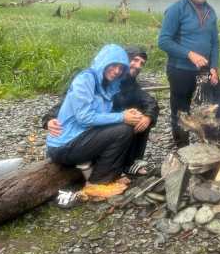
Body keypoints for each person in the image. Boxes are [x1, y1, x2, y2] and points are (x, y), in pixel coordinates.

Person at [43, 45, 158, 176]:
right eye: (135, 60)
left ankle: (129, 163)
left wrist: (147, 116)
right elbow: (69, 103)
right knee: (123, 128)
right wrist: (49, 119)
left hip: (97, 129)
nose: (138, 66)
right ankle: (102, 173)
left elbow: (149, 101)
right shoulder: (89, 78)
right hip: (80, 134)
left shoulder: (126, 83)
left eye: (142, 63)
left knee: (140, 119)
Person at [158, 0, 220, 147]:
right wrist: (189, 54)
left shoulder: (211, 12)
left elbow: (214, 43)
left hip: (204, 70)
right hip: (180, 70)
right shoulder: (176, 9)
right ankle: (182, 147)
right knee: (181, 110)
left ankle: (214, 141)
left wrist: (214, 67)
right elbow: (163, 41)